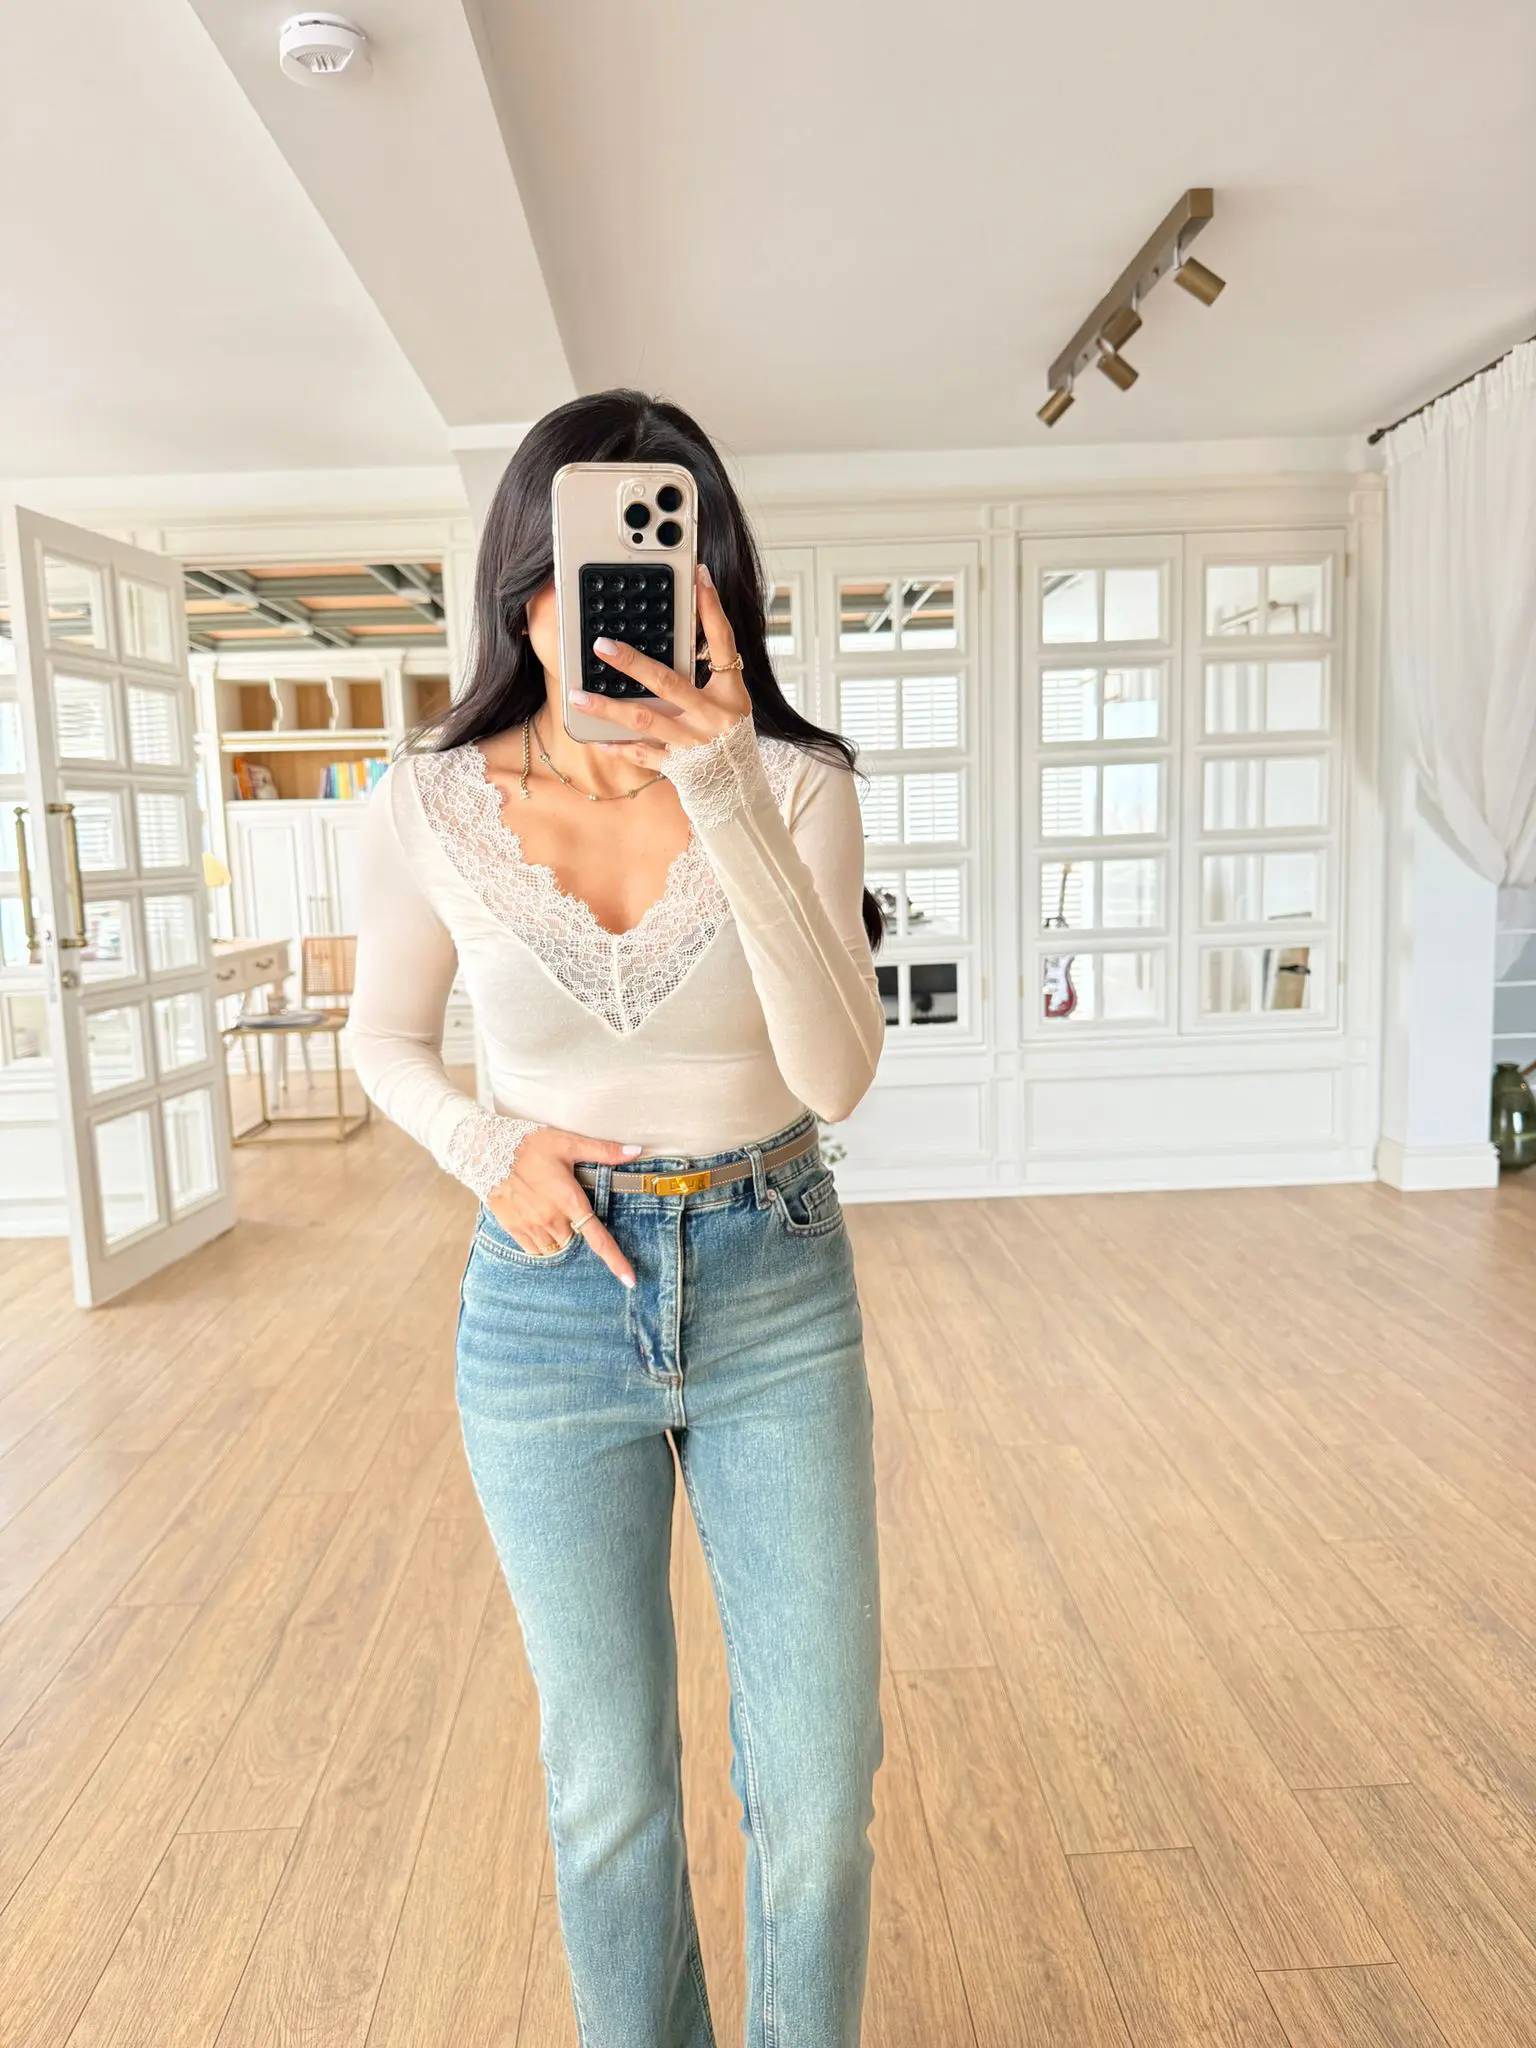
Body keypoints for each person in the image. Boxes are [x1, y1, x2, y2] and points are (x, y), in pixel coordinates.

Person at [347, 388, 887, 2047]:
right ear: (524, 584)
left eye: (660, 566)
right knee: (607, 1789)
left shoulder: (795, 786)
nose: (616, 608)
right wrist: (483, 1145)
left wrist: (724, 791)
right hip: (545, 1301)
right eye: (581, 571)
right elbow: (382, 1037)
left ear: (715, 587)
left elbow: (838, 1075)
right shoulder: (429, 803)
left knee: (817, 1795)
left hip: (774, 1276)